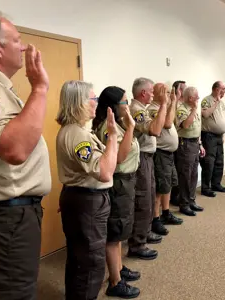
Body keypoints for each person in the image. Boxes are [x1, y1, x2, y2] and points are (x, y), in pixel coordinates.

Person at [0, 10, 51, 300]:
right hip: (4, 219)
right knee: (11, 294)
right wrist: (40, 88)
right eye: (17, 40)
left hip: (10, 216)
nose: (24, 46)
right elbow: (14, 149)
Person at [56, 80, 117, 300]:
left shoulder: (78, 131)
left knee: (80, 258)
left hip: (82, 198)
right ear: (79, 103)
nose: (96, 104)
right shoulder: (77, 135)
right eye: (94, 99)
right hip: (86, 200)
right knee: (90, 262)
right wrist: (112, 135)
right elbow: (105, 172)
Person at [93, 86, 141, 299]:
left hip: (126, 181)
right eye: (125, 102)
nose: (128, 105)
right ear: (113, 106)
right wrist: (131, 128)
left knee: (121, 229)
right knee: (115, 233)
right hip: (119, 182)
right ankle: (115, 282)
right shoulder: (107, 127)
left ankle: (119, 268)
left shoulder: (117, 125)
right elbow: (120, 158)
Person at [128, 77, 168, 260]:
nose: (154, 94)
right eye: (151, 91)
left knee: (150, 197)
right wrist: (164, 104)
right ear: (143, 93)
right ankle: (137, 244)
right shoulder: (136, 110)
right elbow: (155, 130)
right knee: (143, 200)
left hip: (148, 158)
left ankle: (145, 231)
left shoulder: (142, 108)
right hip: (141, 159)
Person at [148, 84, 183, 236]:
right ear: (157, 93)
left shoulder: (164, 107)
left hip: (169, 154)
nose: (170, 95)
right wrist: (173, 102)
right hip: (160, 154)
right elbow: (168, 123)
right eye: (167, 92)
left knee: (167, 185)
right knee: (160, 188)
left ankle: (166, 212)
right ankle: (156, 219)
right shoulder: (153, 108)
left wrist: (171, 103)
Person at [175, 87, 206, 216]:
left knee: (193, 174)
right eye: (197, 97)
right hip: (185, 144)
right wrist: (193, 111)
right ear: (190, 98)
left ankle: (191, 201)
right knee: (185, 176)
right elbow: (186, 126)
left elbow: (196, 130)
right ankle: (184, 204)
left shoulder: (193, 110)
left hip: (194, 143)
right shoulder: (182, 110)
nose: (198, 99)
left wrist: (200, 145)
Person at [200, 81, 225, 197]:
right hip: (209, 136)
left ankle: (216, 184)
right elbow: (206, 115)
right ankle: (206, 187)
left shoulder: (222, 103)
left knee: (219, 161)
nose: (224, 91)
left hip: (218, 136)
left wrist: (222, 134)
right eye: (223, 89)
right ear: (216, 89)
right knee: (209, 162)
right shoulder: (207, 100)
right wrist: (215, 102)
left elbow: (221, 119)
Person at [170, 80, 186, 206]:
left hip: (182, 141)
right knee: (177, 169)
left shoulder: (184, 104)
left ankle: (181, 194)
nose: (184, 91)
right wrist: (175, 99)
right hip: (176, 142)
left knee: (182, 170)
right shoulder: (173, 104)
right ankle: (174, 196)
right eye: (182, 89)